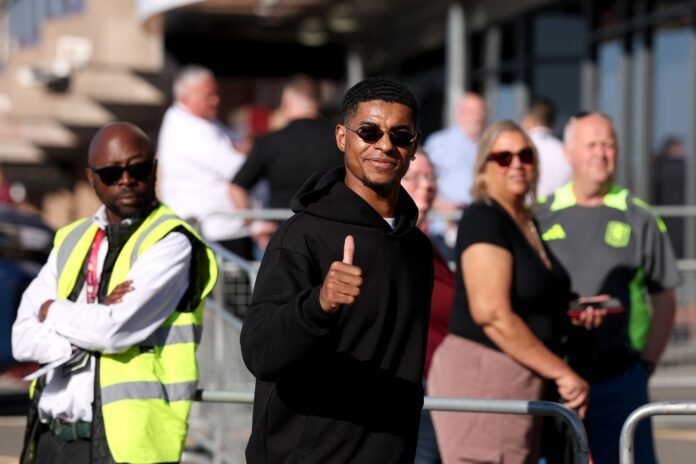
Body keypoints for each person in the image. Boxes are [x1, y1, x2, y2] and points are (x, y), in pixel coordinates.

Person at [240, 77, 434, 463]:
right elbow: (259, 352)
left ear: (414, 147)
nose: (384, 145)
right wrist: (319, 304)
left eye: (400, 135)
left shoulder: (416, 248)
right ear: (343, 137)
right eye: (369, 132)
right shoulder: (302, 235)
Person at [12, 122, 218, 464]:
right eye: (111, 172)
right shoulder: (71, 238)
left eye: (136, 168)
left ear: (153, 170)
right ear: (92, 178)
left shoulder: (171, 240)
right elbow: (21, 338)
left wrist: (52, 310)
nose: (125, 179)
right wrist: (90, 319)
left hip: (125, 447)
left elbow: (111, 331)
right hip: (50, 438)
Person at [428, 120, 589, 464]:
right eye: (503, 157)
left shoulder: (525, 220)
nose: (516, 164)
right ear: (484, 167)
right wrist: (561, 373)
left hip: (518, 377)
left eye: (525, 155)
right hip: (485, 375)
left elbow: (531, 296)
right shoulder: (484, 217)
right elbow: (492, 313)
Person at [537, 112, 681, 464]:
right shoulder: (541, 216)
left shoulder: (639, 216)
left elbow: (664, 298)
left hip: (621, 379)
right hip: (555, 380)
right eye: (592, 145)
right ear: (570, 153)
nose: (601, 153)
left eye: (609, 145)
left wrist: (644, 365)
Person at [230, 74, 344, 251]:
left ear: (286, 104)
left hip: (282, 239)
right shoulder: (342, 139)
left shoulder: (268, 142)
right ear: (317, 103)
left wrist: (254, 225)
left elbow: (237, 187)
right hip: (335, 234)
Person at [157, 64, 252, 259]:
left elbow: (244, 149)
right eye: (208, 96)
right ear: (186, 97)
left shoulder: (205, 122)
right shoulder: (185, 128)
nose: (216, 100)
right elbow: (241, 167)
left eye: (215, 94)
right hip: (212, 235)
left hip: (228, 231)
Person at [401, 150, 455, 464]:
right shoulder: (390, 242)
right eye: (414, 177)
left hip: (440, 387)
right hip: (411, 391)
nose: (426, 185)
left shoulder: (432, 246)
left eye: (431, 177)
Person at [423, 92, 486, 258]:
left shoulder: (487, 144)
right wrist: (438, 203)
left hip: (478, 227)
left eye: (480, 111)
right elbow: (421, 177)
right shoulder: (440, 142)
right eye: (472, 111)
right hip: (446, 228)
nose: (477, 116)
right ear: (459, 113)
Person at [521, 97, 572, 197]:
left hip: (527, 209)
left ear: (529, 118)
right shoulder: (566, 152)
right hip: (559, 210)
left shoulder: (520, 149)